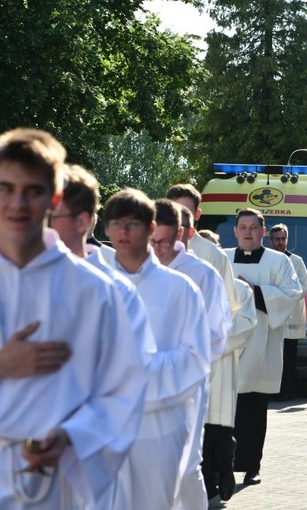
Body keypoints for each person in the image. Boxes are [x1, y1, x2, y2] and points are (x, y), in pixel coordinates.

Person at [0, 128, 147, 508]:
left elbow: (124, 389)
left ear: (54, 197)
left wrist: (73, 436)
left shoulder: (95, 292)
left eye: (34, 190)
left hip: (53, 481)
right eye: (7, 189)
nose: (19, 203)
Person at [49, 164, 158, 509]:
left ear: (83, 221)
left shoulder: (117, 294)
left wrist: (71, 433)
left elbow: (131, 381)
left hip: (86, 460)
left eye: (52, 214)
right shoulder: (14, 285)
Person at [103, 188, 211, 509]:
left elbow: (196, 357)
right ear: (105, 229)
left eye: (132, 224)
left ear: (151, 229)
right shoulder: (95, 285)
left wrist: (140, 370)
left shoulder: (180, 289)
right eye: (116, 223)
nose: (123, 232)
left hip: (160, 426)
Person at [153, 198, 231, 506]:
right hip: (141, 395)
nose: (158, 249)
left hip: (184, 391)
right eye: (153, 241)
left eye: (165, 240)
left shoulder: (202, 275)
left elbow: (216, 335)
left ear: (183, 234)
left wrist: (176, 366)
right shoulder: (132, 271)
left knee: (184, 471)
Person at [224, 208, 302, 486]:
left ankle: (251, 466)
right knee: (223, 413)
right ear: (235, 231)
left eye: (253, 227)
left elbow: (292, 295)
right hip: (226, 350)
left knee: (254, 413)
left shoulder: (279, 262)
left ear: (263, 231)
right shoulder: (222, 258)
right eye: (242, 227)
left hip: (262, 348)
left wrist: (252, 291)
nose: (247, 232)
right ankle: (222, 467)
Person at [197, 231, 258, 502]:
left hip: (222, 366)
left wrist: (210, 343)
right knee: (201, 433)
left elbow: (245, 325)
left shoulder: (239, 289)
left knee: (221, 433)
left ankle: (225, 471)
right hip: (195, 368)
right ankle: (207, 481)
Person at [268, 223, 307, 401]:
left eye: (283, 239)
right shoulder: (266, 259)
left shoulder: (296, 261)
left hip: (290, 316)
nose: (280, 242)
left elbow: (303, 285)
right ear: (271, 240)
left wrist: (283, 297)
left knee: (289, 357)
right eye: (277, 239)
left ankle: (288, 391)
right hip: (270, 315)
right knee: (271, 357)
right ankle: (271, 391)